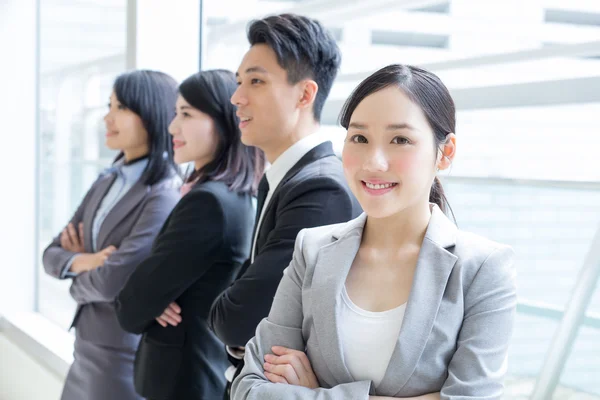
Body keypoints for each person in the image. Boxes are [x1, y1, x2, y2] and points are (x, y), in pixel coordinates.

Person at [231, 64, 517, 400]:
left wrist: (319, 392)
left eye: (400, 139)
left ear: (446, 152)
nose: (374, 162)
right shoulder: (312, 249)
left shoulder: (482, 268)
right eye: (360, 138)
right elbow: (249, 389)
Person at [198, 14, 362, 397]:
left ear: (305, 95)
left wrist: (240, 335)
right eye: (239, 83)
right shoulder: (281, 178)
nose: (237, 98)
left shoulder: (321, 189)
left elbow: (235, 318)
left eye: (256, 81)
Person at [115, 69, 265, 400]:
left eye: (186, 114)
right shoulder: (235, 195)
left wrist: (148, 299)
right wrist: (149, 298)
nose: (172, 127)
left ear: (225, 121)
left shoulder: (209, 202)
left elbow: (130, 305)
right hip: (200, 374)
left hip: (184, 381)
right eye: (174, 114)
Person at [42, 70, 181, 400]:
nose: (107, 117)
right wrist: (89, 260)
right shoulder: (106, 180)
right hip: (85, 345)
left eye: (121, 108)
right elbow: (50, 254)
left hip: (120, 354)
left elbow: (111, 281)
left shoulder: (162, 194)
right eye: (109, 105)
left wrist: (76, 274)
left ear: (151, 113)